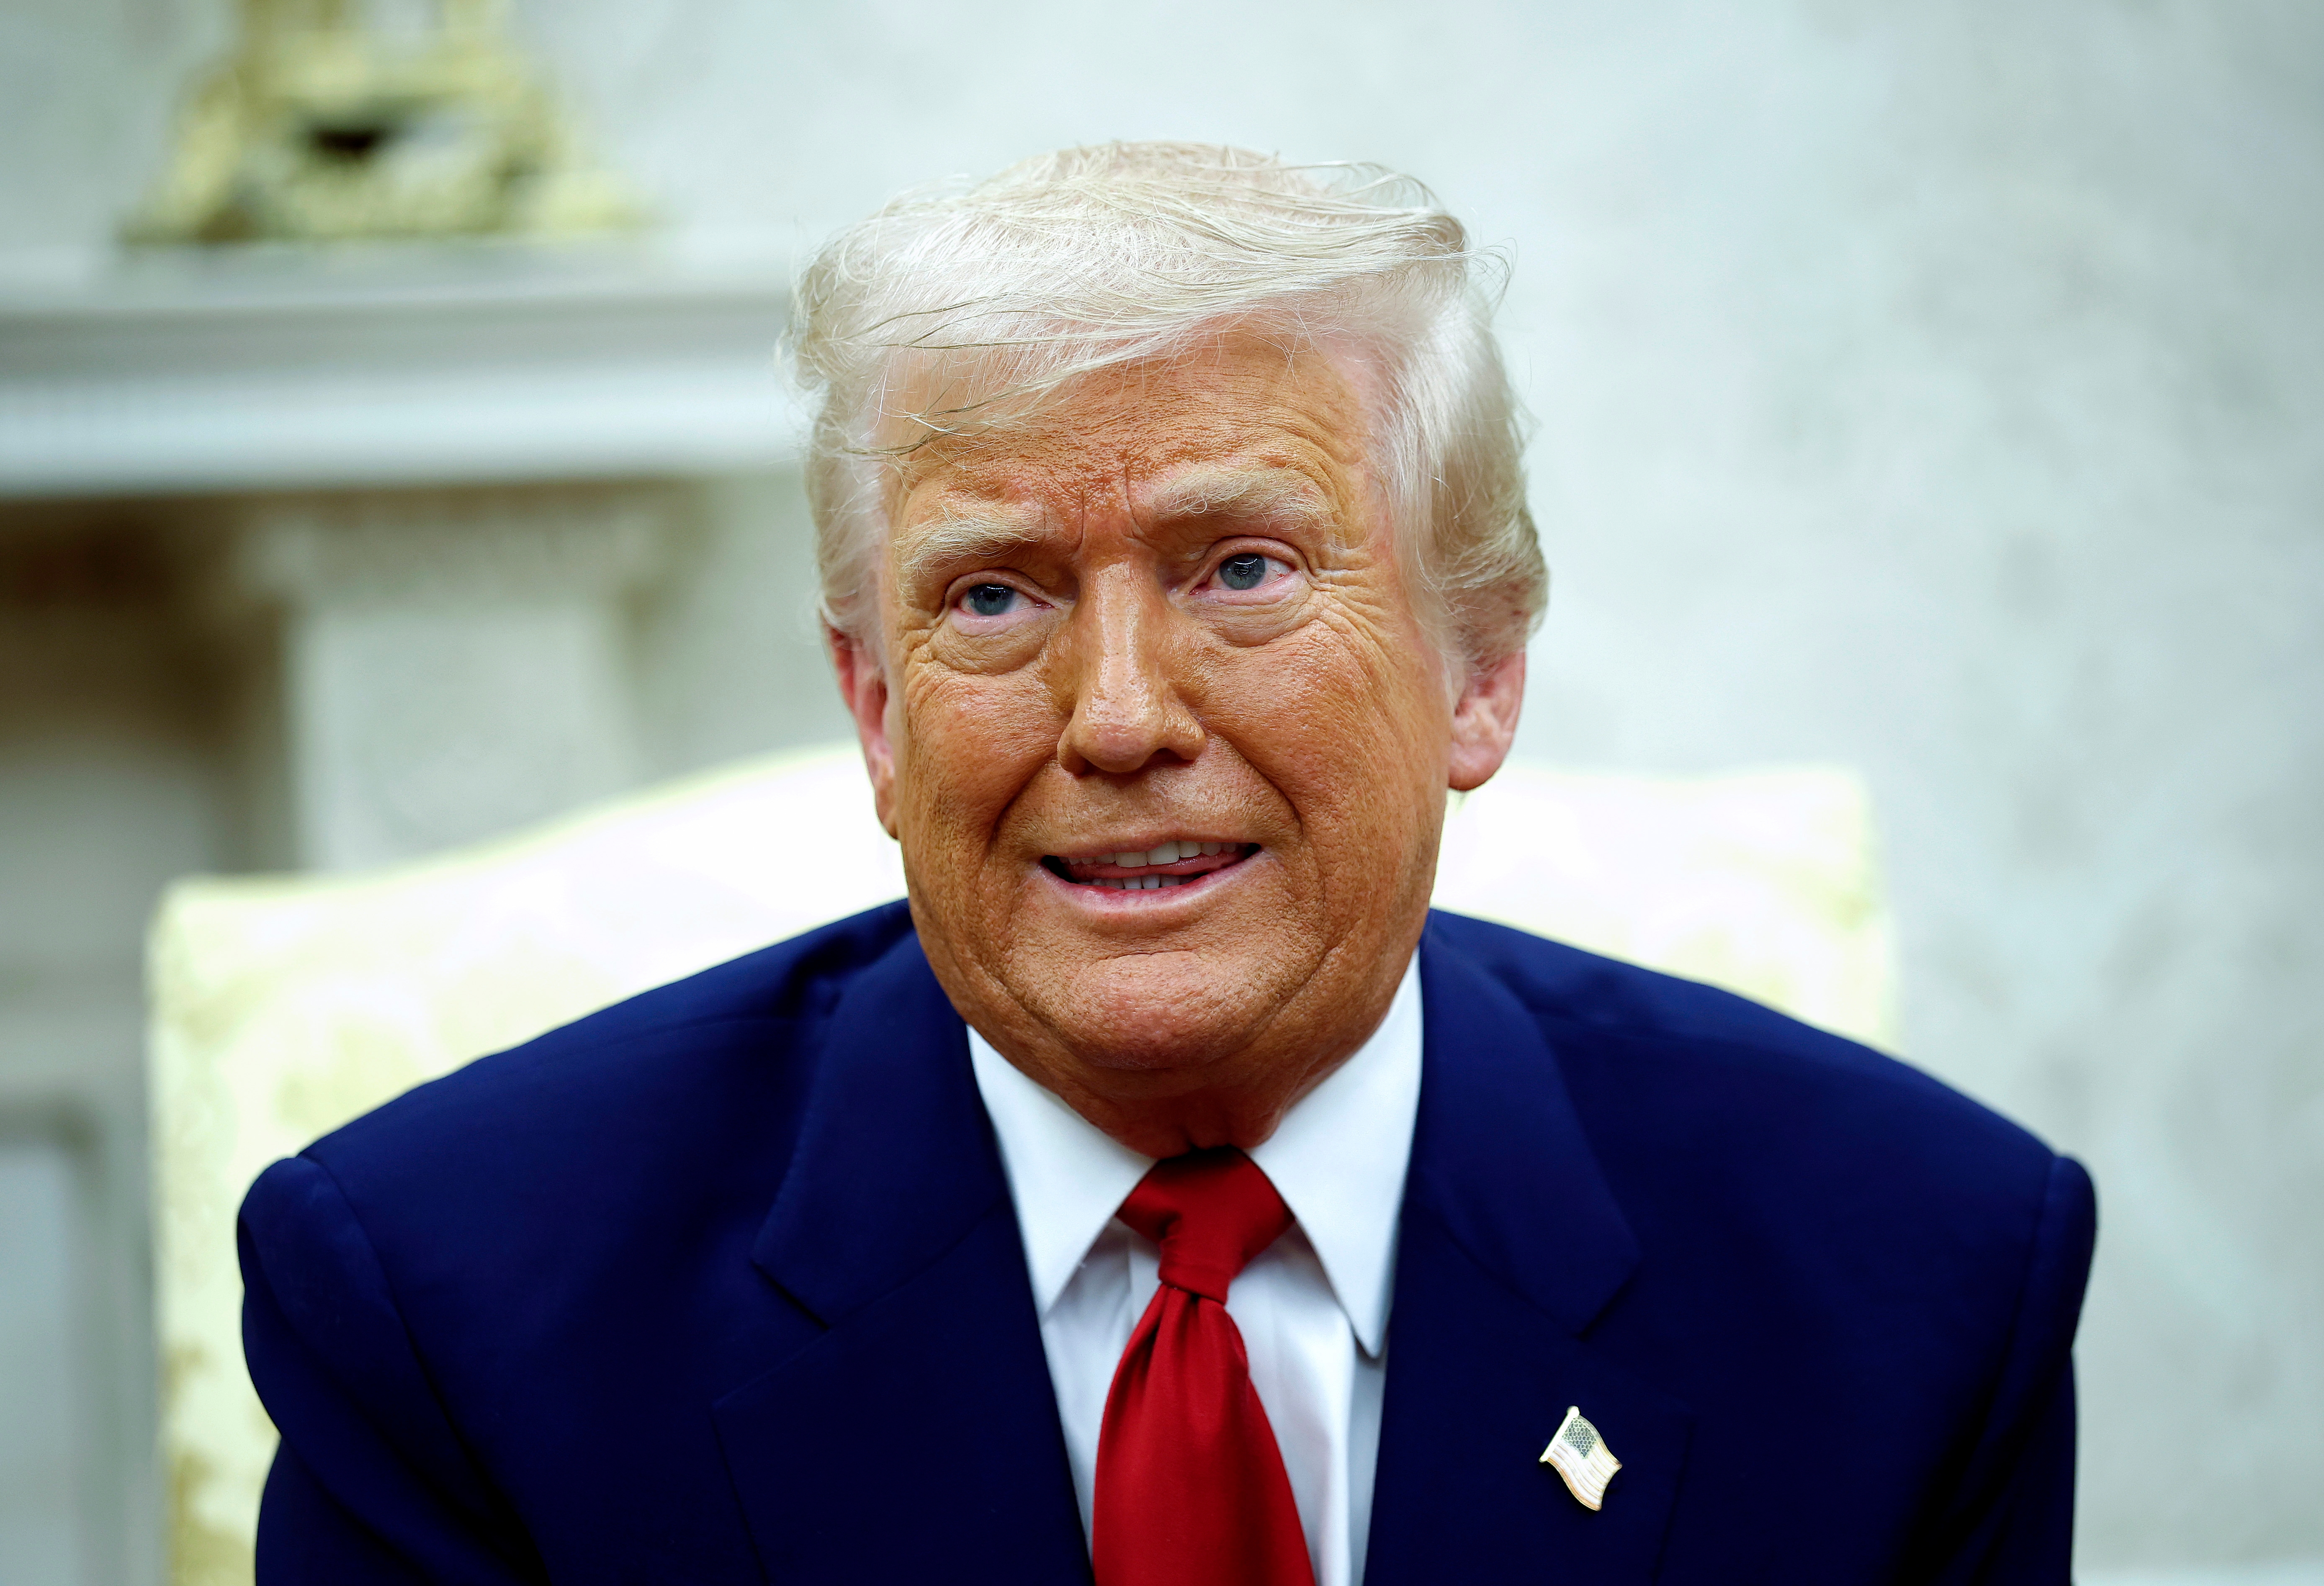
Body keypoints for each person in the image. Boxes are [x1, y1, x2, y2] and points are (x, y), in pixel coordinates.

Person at [239, 144, 2095, 1586]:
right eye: (991, 594)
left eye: (1241, 570)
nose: (1117, 716)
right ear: (876, 710)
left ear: (1483, 665)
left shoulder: (1915, 1283)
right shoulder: (449, 1309)